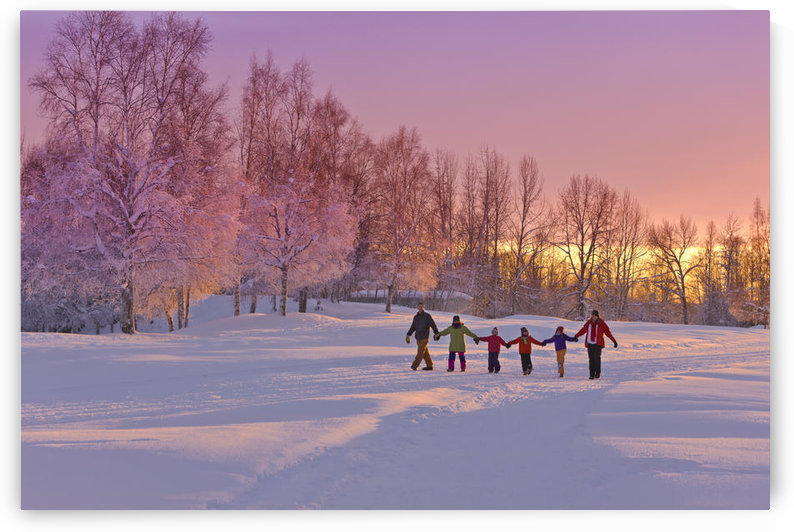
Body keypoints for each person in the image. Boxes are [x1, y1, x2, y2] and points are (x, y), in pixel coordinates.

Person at [574, 310, 617, 379]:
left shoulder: (601, 323)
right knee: (591, 359)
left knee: (596, 358)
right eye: (593, 315)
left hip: (598, 344)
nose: (594, 317)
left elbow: (607, 332)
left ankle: (597, 373)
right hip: (590, 343)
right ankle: (591, 374)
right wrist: (576, 336)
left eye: (595, 315)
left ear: (597, 316)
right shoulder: (589, 323)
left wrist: (614, 341)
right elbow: (583, 330)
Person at [406, 302, 439, 371]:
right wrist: (408, 334)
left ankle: (414, 365)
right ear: (417, 308)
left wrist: (436, 333)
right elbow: (413, 327)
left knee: (420, 352)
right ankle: (429, 365)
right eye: (419, 307)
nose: (420, 308)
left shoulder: (427, 316)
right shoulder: (416, 317)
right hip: (418, 337)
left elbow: (433, 324)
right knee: (424, 352)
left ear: (423, 307)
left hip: (424, 337)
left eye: (421, 307)